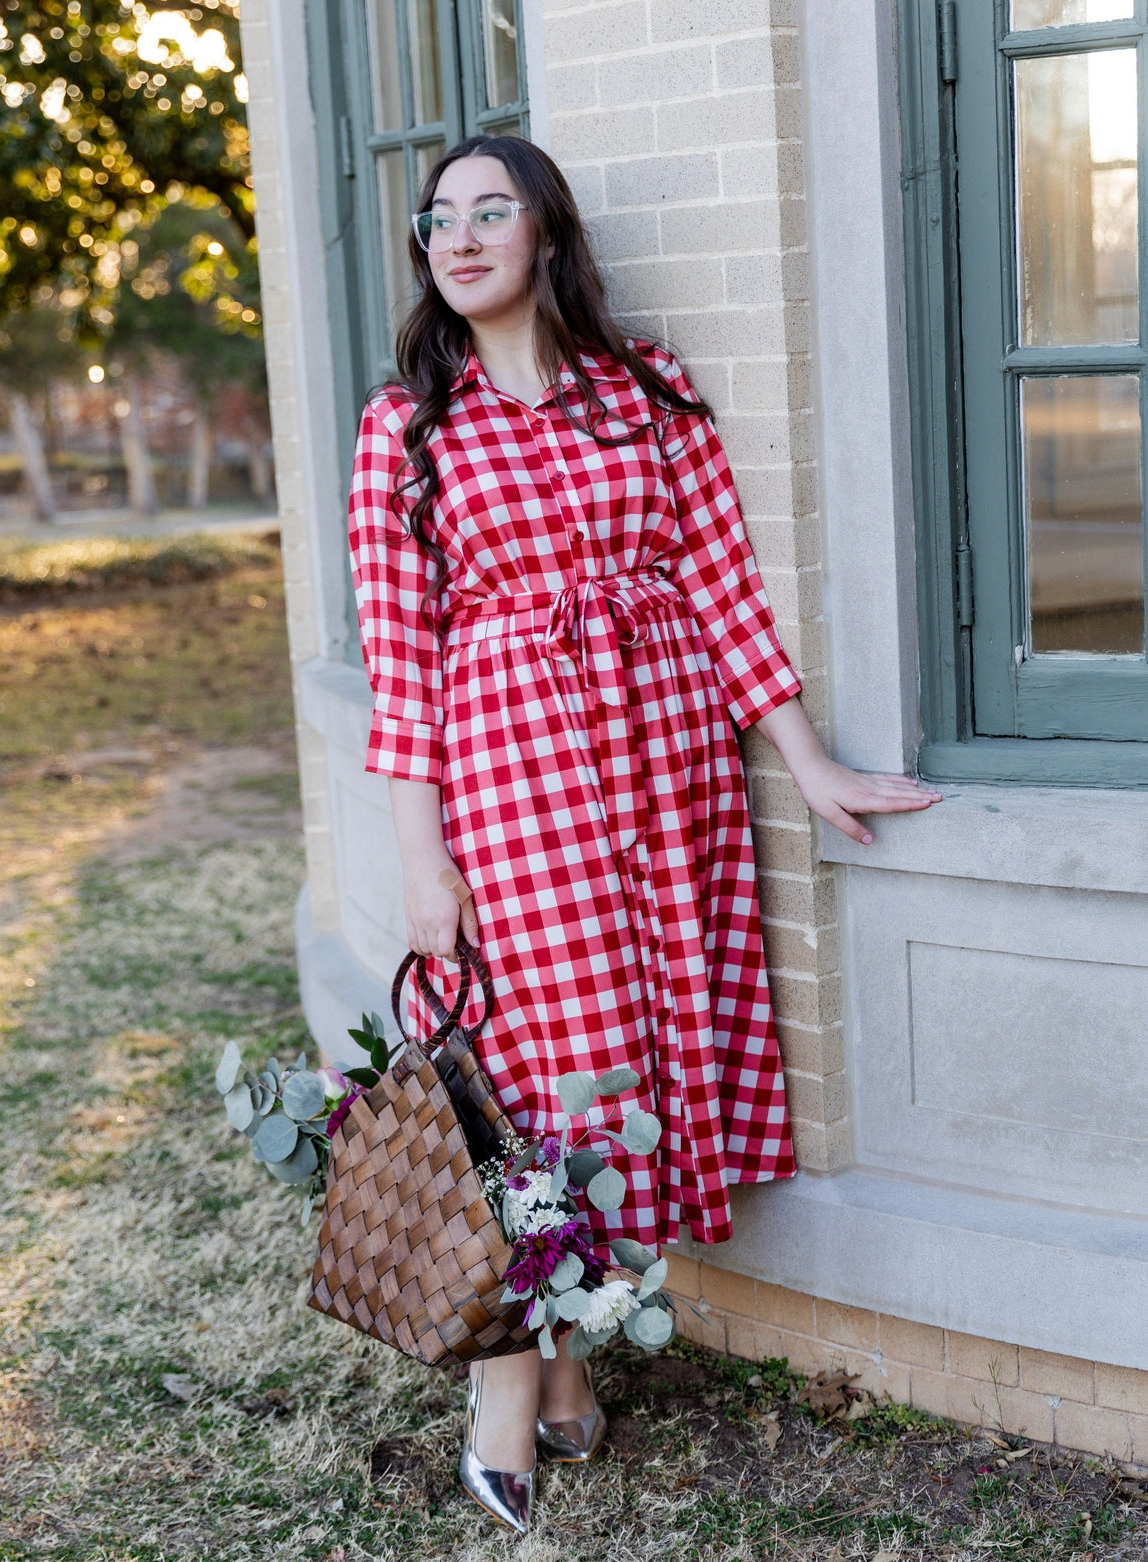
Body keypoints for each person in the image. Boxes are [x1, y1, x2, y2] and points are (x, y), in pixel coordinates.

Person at [348, 134, 940, 1535]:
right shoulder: (408, 425)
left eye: (494, 209)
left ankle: (557, 1374)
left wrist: (802, 760)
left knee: (629, 1060)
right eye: (441, 218)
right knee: (542, 1062)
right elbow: (400, 655)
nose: (463, 234)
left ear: (548, 234)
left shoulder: (644, 392)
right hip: (514, 765)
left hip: (666, 765)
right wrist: (420, 859)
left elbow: (721, 578)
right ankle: (506, 1383)